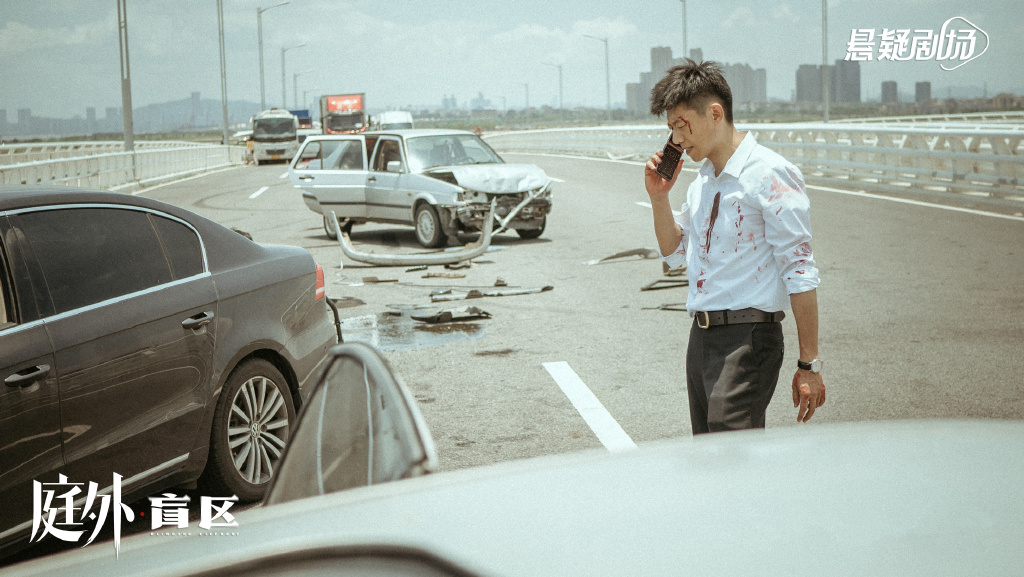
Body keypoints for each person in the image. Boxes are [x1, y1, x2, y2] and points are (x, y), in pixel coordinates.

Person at [644, 59, 825, 434]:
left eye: (681, 125)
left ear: (715, 113)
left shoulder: (769, 173)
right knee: (712, 458)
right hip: (702, 337)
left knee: (731, 461)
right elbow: (675, 254)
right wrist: (659, 198)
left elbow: (800, 269)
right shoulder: (703, 181)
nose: (676, 140)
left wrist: (809, 365)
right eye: (671, 129)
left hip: (748, 340)